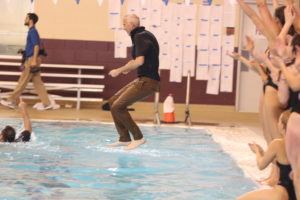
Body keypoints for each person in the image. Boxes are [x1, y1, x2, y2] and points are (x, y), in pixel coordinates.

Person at [108, 14, 160, 150]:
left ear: (131, 25)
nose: (123, 27)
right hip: (143, 79)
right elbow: (136, 61)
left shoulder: (139, 36)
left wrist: (119, 70)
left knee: (118, 106)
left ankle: (138, 137)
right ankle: (124, 138)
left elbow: (139, 61)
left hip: (148, 81)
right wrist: (126, 68)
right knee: (113, 102)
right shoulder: (143, 34)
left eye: (124, 24)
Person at [237, 110, 296, 200]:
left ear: (283, 127)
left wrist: (257, 151)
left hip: (282, 193)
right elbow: (288, 166)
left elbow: (261, 165)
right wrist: (262, 152)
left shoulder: (277, 144)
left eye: (279, 121)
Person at [0, 13, 52, 110]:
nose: (25, 19)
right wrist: (25, 51)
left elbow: (36, 46)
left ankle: (11, 100)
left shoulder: (32, 31)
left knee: (23, 81)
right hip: (34, 57)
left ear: (31, 20)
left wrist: (33, 60)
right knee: (38, 82)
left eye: (26, 18)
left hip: (32, 59)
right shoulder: (32, 31)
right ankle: (46, 103)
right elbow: (33, 46)